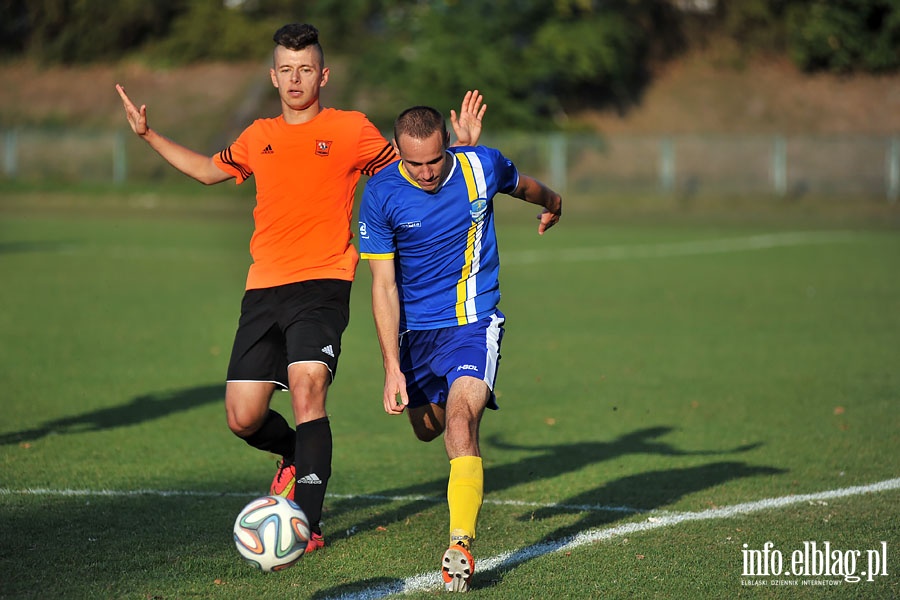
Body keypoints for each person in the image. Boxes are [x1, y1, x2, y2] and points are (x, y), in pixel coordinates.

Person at [115, 23, 486, 554]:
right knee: (242, 417)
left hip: (325, 283)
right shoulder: (257, 136)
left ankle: (306, 525)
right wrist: (148, 135)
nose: (295, 79)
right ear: (273, 76)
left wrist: (463, 152)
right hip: (263, 287)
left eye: (305, 69)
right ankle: (293, 454)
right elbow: (204, 170)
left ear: (322, 75)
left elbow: (410, 171)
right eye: (286, 70)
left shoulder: (350, 129)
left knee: (309, 388)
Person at [358, 106, 562, 592]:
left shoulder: (479, 165)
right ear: (399, 154)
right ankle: (432, 407)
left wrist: (554, 201)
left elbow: (525, 185)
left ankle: (461, 543)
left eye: (433, 161)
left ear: (446, 143)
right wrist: (392, 369)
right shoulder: (381, 194)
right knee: (428, 427)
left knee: (460, 420)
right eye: (415, 164)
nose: (426, 173)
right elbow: (383, 286)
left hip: (474, 322)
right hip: (416, 334)